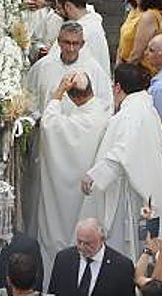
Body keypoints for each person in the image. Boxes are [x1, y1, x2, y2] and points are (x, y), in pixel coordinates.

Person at [81, 64, 162, 259]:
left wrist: (94, 176)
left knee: (127, 250)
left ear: (117, 87)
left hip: (131, 195)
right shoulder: (147, 108)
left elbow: (123, 151)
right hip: (146, 189)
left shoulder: (130, 114)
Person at [36, 72, 111, 281]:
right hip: (89, 192)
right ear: (92, 90)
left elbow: (49, 123)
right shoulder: (104, 114)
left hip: (67, 196)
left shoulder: (76, 121)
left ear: (73, 97)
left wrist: (58, 92)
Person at [48, 218, 136, 296]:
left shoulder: (122, 266)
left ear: (102, 239)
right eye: (79, 242)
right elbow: (53, 292)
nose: (82, 247)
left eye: (88, 243)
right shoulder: (63, 259)